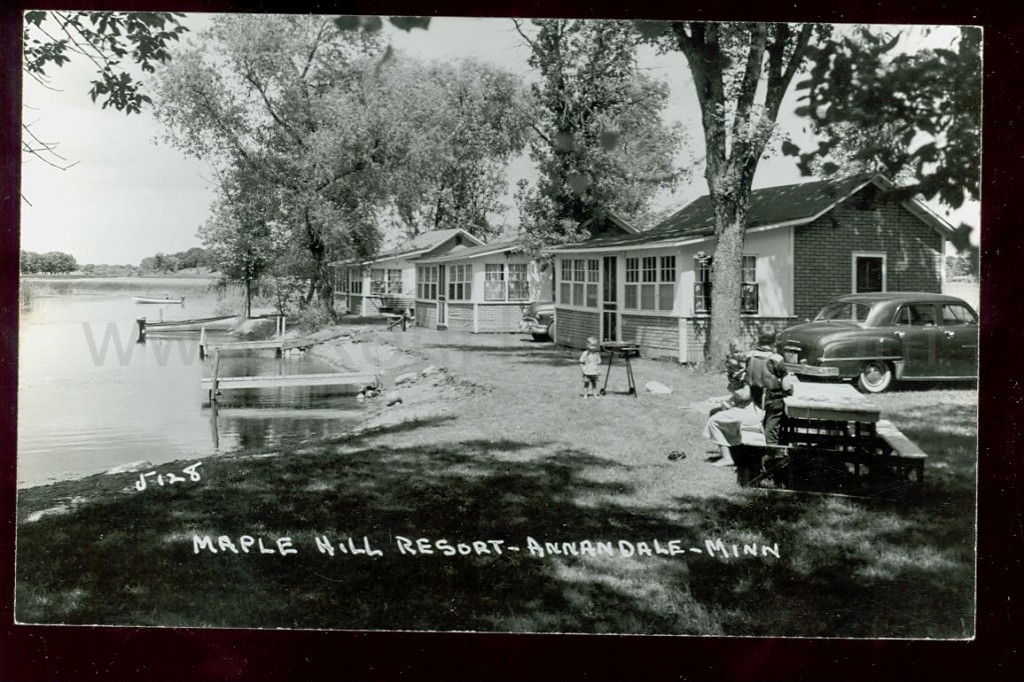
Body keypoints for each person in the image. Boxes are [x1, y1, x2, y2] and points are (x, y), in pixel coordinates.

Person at [703, 338, 759, 467]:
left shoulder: (750, 368)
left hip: (751, 406)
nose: (738, 354)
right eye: (735, 352)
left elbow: (745, 394)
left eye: (740, 351)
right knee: (716, 411)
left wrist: (733, 387)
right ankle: (732, 451)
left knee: (716, 416)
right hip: (745, 403)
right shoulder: (736, 367)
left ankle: (729, 456)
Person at [745, 324, 794, 444]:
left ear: (758, 338)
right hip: (772, 399)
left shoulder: (749, 355)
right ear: (774, 340)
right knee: (774, 422)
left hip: (756, 398)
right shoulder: (776, 358)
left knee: (770, 419)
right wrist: (791, 389)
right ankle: (771, 452)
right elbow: (786, 386)